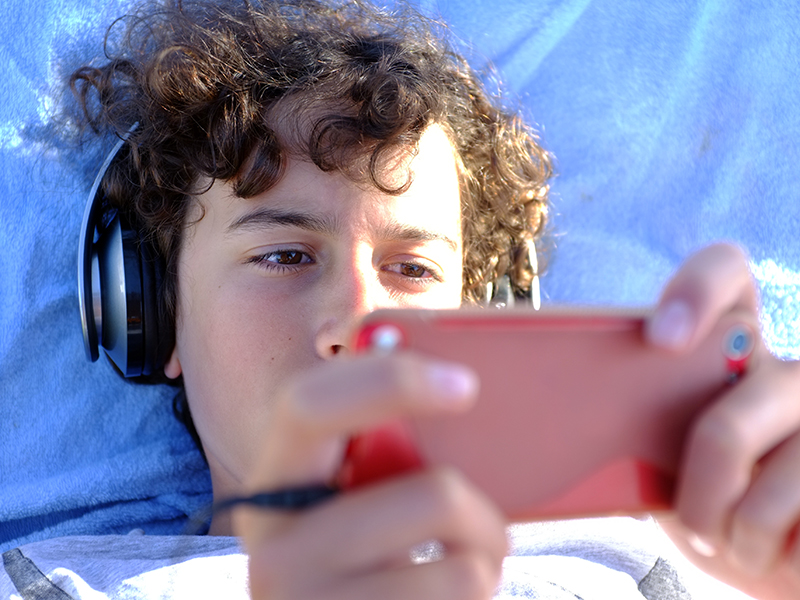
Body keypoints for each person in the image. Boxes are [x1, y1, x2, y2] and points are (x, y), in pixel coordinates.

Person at [5, 0, 800, 598]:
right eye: (284, 255)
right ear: (152, 309)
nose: (357, 319)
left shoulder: (647, 557)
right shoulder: (56, 582)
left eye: (413, 269)